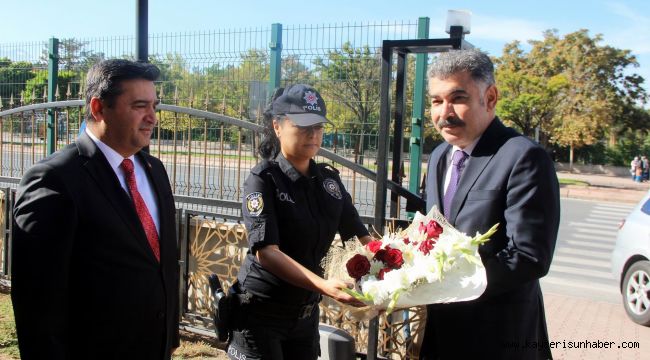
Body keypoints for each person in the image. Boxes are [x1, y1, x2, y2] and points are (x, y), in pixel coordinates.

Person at [12, 59, 179, 359]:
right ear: (99, 108)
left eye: (155, 106)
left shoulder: (154, 170)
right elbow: (38, 303)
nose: (152, 117)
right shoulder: (55, 179)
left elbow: (160, 263)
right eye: (140, 106)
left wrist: (169, 336)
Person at [420, 50, 560, 359]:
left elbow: (529, 256)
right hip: (443, 334)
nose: (445, 113)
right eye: (436, 101)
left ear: (491, 97)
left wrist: (448, 284)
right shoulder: (440, 156)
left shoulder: (523, 157)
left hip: (499, 337)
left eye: (458, 98)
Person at [227, 84, 372, 360]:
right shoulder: (263, 179)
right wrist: (324, 285)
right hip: (261, 314)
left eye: (318, 126)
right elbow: (267, 253)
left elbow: (359, 237)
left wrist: (397, 266)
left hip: (305, 316)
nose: (313, 134)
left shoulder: (329, 181)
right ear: (277, 126)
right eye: (303, 125)